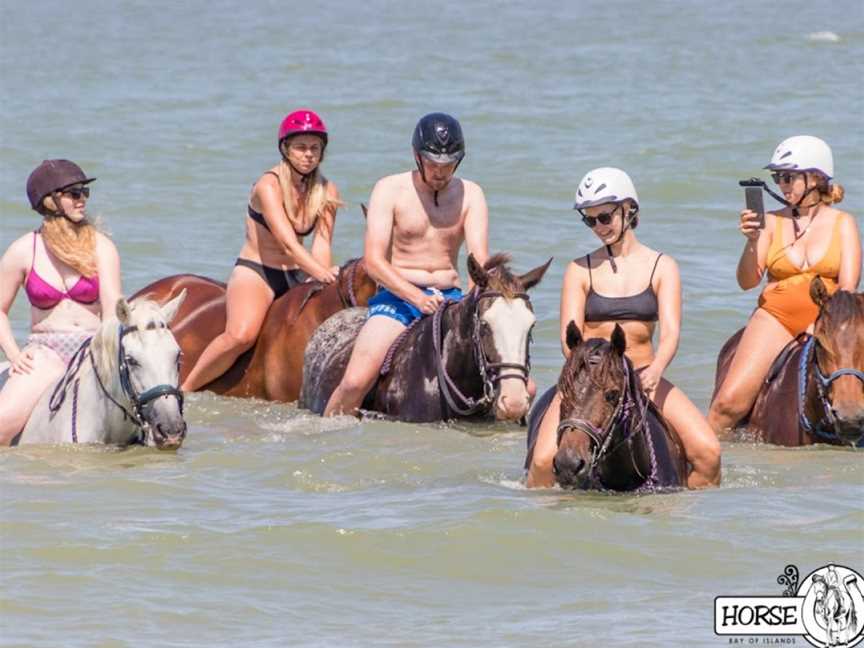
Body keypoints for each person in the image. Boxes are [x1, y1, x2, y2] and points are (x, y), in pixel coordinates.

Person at [526, 167, 721, 489]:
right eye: (590, 220)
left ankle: (686, 521)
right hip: (589, 381)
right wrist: (589, 376)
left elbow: (671, 333)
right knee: (544, 462)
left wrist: (657, 369)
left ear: (629, 209)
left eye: (604, 217)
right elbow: (568, 339)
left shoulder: (663, 266)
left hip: (644, 373)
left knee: (708, 452)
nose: (598, 227)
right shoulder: (579, 269)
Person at [323, 112, 490, 416]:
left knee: (517, 383)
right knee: (355, 380)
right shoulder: (388, 189)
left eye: (449, 165)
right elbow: (373, 261)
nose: (441, 172)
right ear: (417, 156)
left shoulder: (472, 194)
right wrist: (417, 298)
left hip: (450, 297)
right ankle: (324, 435)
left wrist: (472, 305)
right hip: (399, 299)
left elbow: (478, 261)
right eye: (433, 164)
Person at [181, 109, 343, 392]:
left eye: (315, 148)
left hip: (297, 272)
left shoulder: (328, 190)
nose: (308, 154)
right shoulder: (268, 186)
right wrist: (322, 274)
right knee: (240, 335)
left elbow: (322, 243)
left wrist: (321, 283)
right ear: (285, 149)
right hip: (257, 271)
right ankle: (186, 390)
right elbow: (288, 244)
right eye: (301, 147)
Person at [708, 136, 860, 433]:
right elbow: (747, 282)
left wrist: (821, 326)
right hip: (776, 317)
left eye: (789, 177)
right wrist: (752, 243)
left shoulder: (843, 223)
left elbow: (848, 289)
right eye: (778, 177)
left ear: (816, 177)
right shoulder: (770, 222)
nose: (782, 184)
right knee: (728, 404)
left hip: (829, 322)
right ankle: (702, 463)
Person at [0, 160, 122, 444]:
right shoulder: (23, 250)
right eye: (74, 193)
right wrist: (14, 355)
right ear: (49, 200)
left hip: (93, 348)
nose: (82, 200)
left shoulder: (101, 246)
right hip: (47, 352)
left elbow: (113, 308)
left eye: (84, 193)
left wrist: (110, 356)